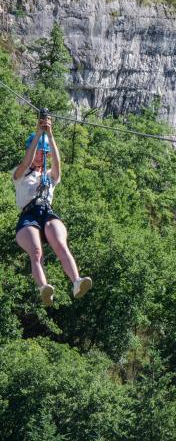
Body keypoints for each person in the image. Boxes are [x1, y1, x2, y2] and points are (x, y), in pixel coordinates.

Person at [12, 114, 92, 306]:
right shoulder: (20, 174)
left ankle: (76, 281)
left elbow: (57, 164)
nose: (42, 155)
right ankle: (44, 288)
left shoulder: (50, 176)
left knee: (61, 244)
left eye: (44, 152)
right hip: (29, 215)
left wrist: (50, 135)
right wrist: (40, 132)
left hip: (46, 212)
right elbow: (26, 161)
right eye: (40, 152)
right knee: (36, 252)